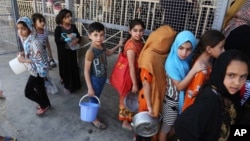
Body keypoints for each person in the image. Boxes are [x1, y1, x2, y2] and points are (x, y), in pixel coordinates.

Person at [174, 50, 249, 141]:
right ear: (221, 72)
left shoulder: (230, 94)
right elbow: (182, 126)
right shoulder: (211, 99)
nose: (237, 83)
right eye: (231, 75)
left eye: (243, 76)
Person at [159, 30, 203, 141]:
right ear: (176, 46)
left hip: (181, 100)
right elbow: (179, 87)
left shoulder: (186, 60)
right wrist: (194, 71)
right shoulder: (172, 62)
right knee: (166, 128)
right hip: (171, 101)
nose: (184, 53)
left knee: (176, 127)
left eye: (188, 49)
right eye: (181, 48)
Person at [136, 25, 177, 141]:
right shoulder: (149, 56)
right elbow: (146, 83)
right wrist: (149, 105)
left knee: (150, 126)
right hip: (148, 98)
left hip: (154, 96)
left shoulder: (161, 54)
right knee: (146, 127)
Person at [84, 22, 122, 130]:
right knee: (93, 99)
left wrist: (118, 46)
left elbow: (108, 53)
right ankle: (93, 119)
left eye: (101, 35)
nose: (99, 38)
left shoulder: (102, 46)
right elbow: (86, 71)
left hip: (102, 78)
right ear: (90, 36)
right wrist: (90, 87)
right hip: (94, 79)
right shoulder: (91, 52)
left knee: (96, 97)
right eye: (95, 35)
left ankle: (93, 113)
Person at [182, 30, 225, 112]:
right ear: (209, 49)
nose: (224, 50)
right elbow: (195, 95)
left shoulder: (206, 62)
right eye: (221, 47)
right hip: (193, 111)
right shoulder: (202, 69)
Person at [16, 17, 51, 115]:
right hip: (35, 70)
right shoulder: (27, 39)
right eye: (18, 28)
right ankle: (46, 104)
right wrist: (23, 53)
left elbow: (41, 60)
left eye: (23, 28)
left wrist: (25, 60)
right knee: (40, 89)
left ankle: (43, 105)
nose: (20, 31)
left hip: (38, 71)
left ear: (30, 28)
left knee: (28, 92)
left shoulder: (34, 42)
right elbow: (31, 53)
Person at [117, 19, 145, 131]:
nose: (138, 33)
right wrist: (134, 83)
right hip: (129, 76)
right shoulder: (131, 46)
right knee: (127, 97)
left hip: (135, 75)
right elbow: (132, 66)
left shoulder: (140, 42)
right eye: (135, 30)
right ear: (129, 31)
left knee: (132, 98)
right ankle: (125, 121)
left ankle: (130, 118)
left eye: (141, 30)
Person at [54, 8, 81, 94]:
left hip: (72, 52)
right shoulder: (58, 29)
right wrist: (66, 38)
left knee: (73, 67)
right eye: (67, 17)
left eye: (70, 16)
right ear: (62, 18)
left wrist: (77, 40)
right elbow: (57, 40)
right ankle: (67, 85)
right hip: (63, 53)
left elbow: (79, 36)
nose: (70, 18)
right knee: (65, 68)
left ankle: (75, 84)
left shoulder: (73, 27)